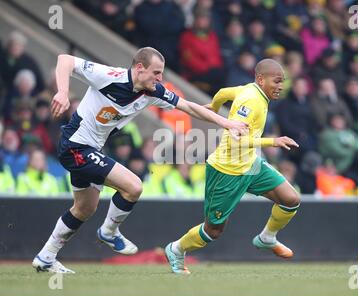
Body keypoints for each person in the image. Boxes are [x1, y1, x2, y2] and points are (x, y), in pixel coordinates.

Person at [32, 47, 247, 274]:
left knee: (84, 208)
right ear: (139, 68)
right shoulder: (109, 76)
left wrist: (227, 123)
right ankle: (108, 232)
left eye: (161, 73)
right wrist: (63, 92)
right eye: (156, 72)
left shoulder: (153, 92)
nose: (160, 78)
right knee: (133, 187)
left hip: (90, 149)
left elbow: (189, 107)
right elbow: (65, 60)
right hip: (75, 146)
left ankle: (46, 257)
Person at [165, 59, 300, 274]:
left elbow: (223, 92)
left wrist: (215, 106)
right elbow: (236, 139)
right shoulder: (251, 101)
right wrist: (271, 141)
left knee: (291, 199)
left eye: (282, 82)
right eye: (277, 81)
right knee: (213, 230)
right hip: (226, 171)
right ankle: (176, 249)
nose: (281, 86)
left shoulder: (250, 90)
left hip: (250, 165)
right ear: (260, 79)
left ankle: (267, 237)